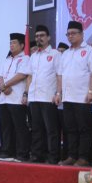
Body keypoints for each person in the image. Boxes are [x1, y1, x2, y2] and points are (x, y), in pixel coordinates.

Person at [55, 21, 92, 166]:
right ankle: (72, 156)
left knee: (84, 129)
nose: (70, 36)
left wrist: (91, 91)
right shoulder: (65, 54)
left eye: (73, 33)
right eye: (68, 34)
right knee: (70, 129)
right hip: (68, 97)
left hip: (83, 98)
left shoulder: (90, 51)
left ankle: (83, 157)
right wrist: (58, 93)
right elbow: (60, 75)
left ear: (82, 34)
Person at [25, 25, 59, 164]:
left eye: (42, 35)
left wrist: (58, 93)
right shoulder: (33, 56)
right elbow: (29, 76)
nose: (39, 38)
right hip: (34, 97)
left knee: (51, 129)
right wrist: (26, 94)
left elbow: (59, 75)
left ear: (48, 37)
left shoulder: (55, 54)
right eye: (37, 36)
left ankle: (53, 156)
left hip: (48, 97)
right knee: (36, 129)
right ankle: (37, 155)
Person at [0, 33, 30, 162]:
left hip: (17, 98)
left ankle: (22, 154)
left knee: (20, 127)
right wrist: (2, 86)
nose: (11, 45)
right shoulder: (7, 60)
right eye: (10, 43)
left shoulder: (25, 58)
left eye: (14, 43)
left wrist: (6, 85)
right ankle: (6, 152)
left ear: (22, 45)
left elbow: (22, 75)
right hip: (4, 98)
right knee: (5, 126)